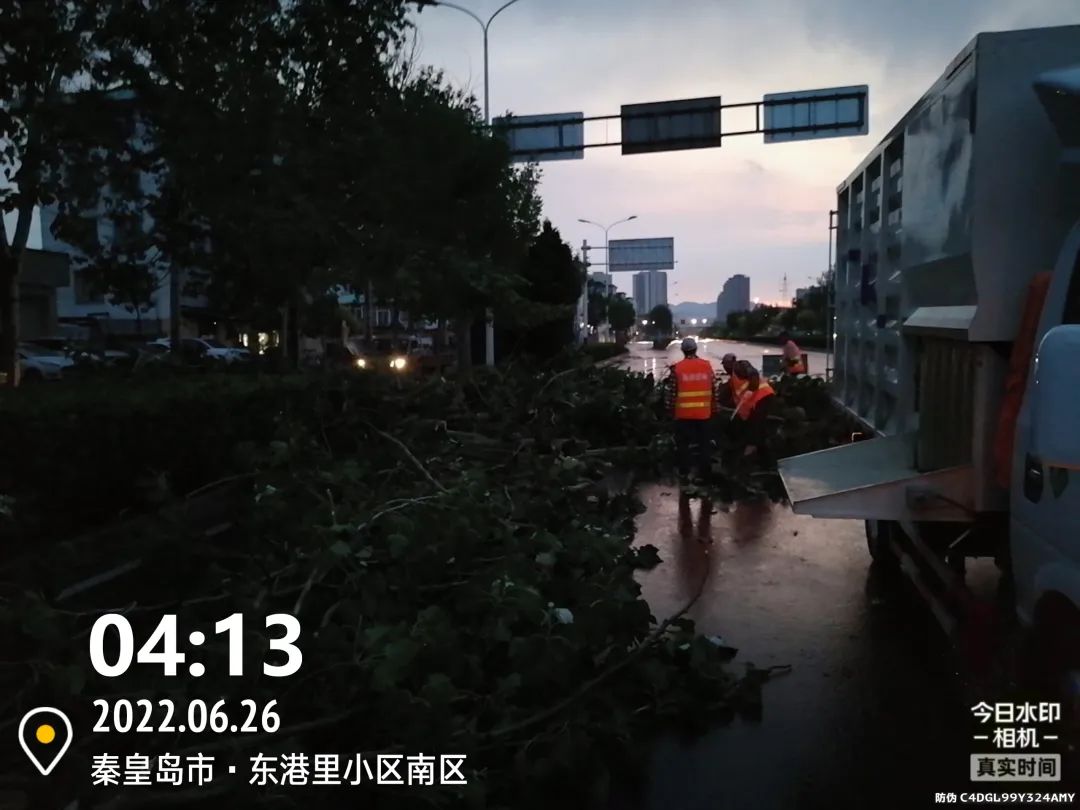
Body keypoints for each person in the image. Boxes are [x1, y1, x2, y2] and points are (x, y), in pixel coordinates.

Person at [665, 337, 718, 486]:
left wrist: (669, 412)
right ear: (695, 349)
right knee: (704, 445)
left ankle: (684, 473)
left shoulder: (677, 369)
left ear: (683, 350)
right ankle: (705, 474)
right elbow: (714, 390)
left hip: (683, 415)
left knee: (683, 445)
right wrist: (715, 409)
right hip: (704, 414)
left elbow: (671, 394)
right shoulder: (707, 366)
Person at [731, 360, 777, 458]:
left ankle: (756, 451)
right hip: (756, 402)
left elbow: (753, 375)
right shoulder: (736, 376)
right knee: (756, 425)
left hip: (763, 398)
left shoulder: (741, 370)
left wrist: (751, 390)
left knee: (757, 424)